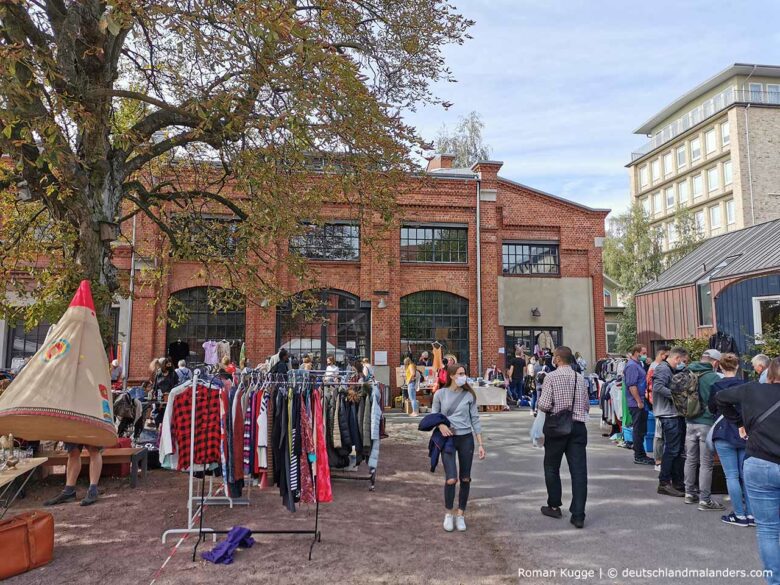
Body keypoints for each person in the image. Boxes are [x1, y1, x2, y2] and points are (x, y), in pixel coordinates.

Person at [717, 357, 780, 584]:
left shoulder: (752, 390)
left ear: (768, 373)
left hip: (760, 463)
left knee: (768, 530)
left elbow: (720, 398)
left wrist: (739, 422)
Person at [538, 346, 589, 529]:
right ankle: (578, 514)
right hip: (577, 426)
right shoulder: (579, 378)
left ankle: (554, 505)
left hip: (557, 427)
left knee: (551, 466)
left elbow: (544, 405)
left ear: (558, 359)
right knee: (579, 471)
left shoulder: (550, 377)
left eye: (554, 357)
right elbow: (586, 405)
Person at [431, 363, 485, 532]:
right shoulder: (440, 394)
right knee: (451, 478)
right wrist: (441, 426)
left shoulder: (469, 395)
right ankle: (448, 514)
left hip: (466, 438)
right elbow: (434, 415)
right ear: (452, 375)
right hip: (448, 439)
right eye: (460, 373)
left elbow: (475, 419)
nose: (464, 376)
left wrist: (481, 444)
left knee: (465, 478)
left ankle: (461, 514)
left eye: (464, 373)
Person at [708, 353, 752, 526]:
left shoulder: (716, 386)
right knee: (745, 475)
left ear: (720, 366)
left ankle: (739, 514)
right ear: (738, 366)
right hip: (744, 432)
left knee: (731, 476)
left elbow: (712, 408)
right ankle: (752, 514)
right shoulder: (746, 385)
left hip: (723, 431)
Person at [684, 348, 725, 511]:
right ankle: (705, 500)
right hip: (706, 422)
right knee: (706, 463)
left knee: (690, 459)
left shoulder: (687, 373)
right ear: (715, 362)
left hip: (689, 421)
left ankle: (689, 493)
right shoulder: (713, 378)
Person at [652, 347, 689, 497]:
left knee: (677, 450)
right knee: (673, 450)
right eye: (683, 361)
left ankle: (677, 482)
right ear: (677, 358)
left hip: (674, 414)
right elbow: (658, 387)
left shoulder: (670, 369)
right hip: (668, 415)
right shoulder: (663, 369)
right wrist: (676, 396)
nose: (684, 364)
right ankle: (664, 483)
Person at [625, 344, 654, 465]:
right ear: (636, 353)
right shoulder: (632, 366)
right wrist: (638, 401)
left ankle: (641, 454)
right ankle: (639, 455)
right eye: (644, 353)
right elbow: (632, 385)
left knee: (641, 429)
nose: (645, 355)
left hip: (641, 401)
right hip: (636, 403)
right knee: (638, 430)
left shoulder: (638, 364)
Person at [647, 346, 671, 470]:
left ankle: (660, 459)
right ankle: (658, 460)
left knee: (660, 433)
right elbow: (653, 387)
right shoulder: (657, 368)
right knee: (659, 434)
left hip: (659, 404)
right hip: (659, 405)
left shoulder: (657, 367)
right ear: (662, 355)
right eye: (667, 355)